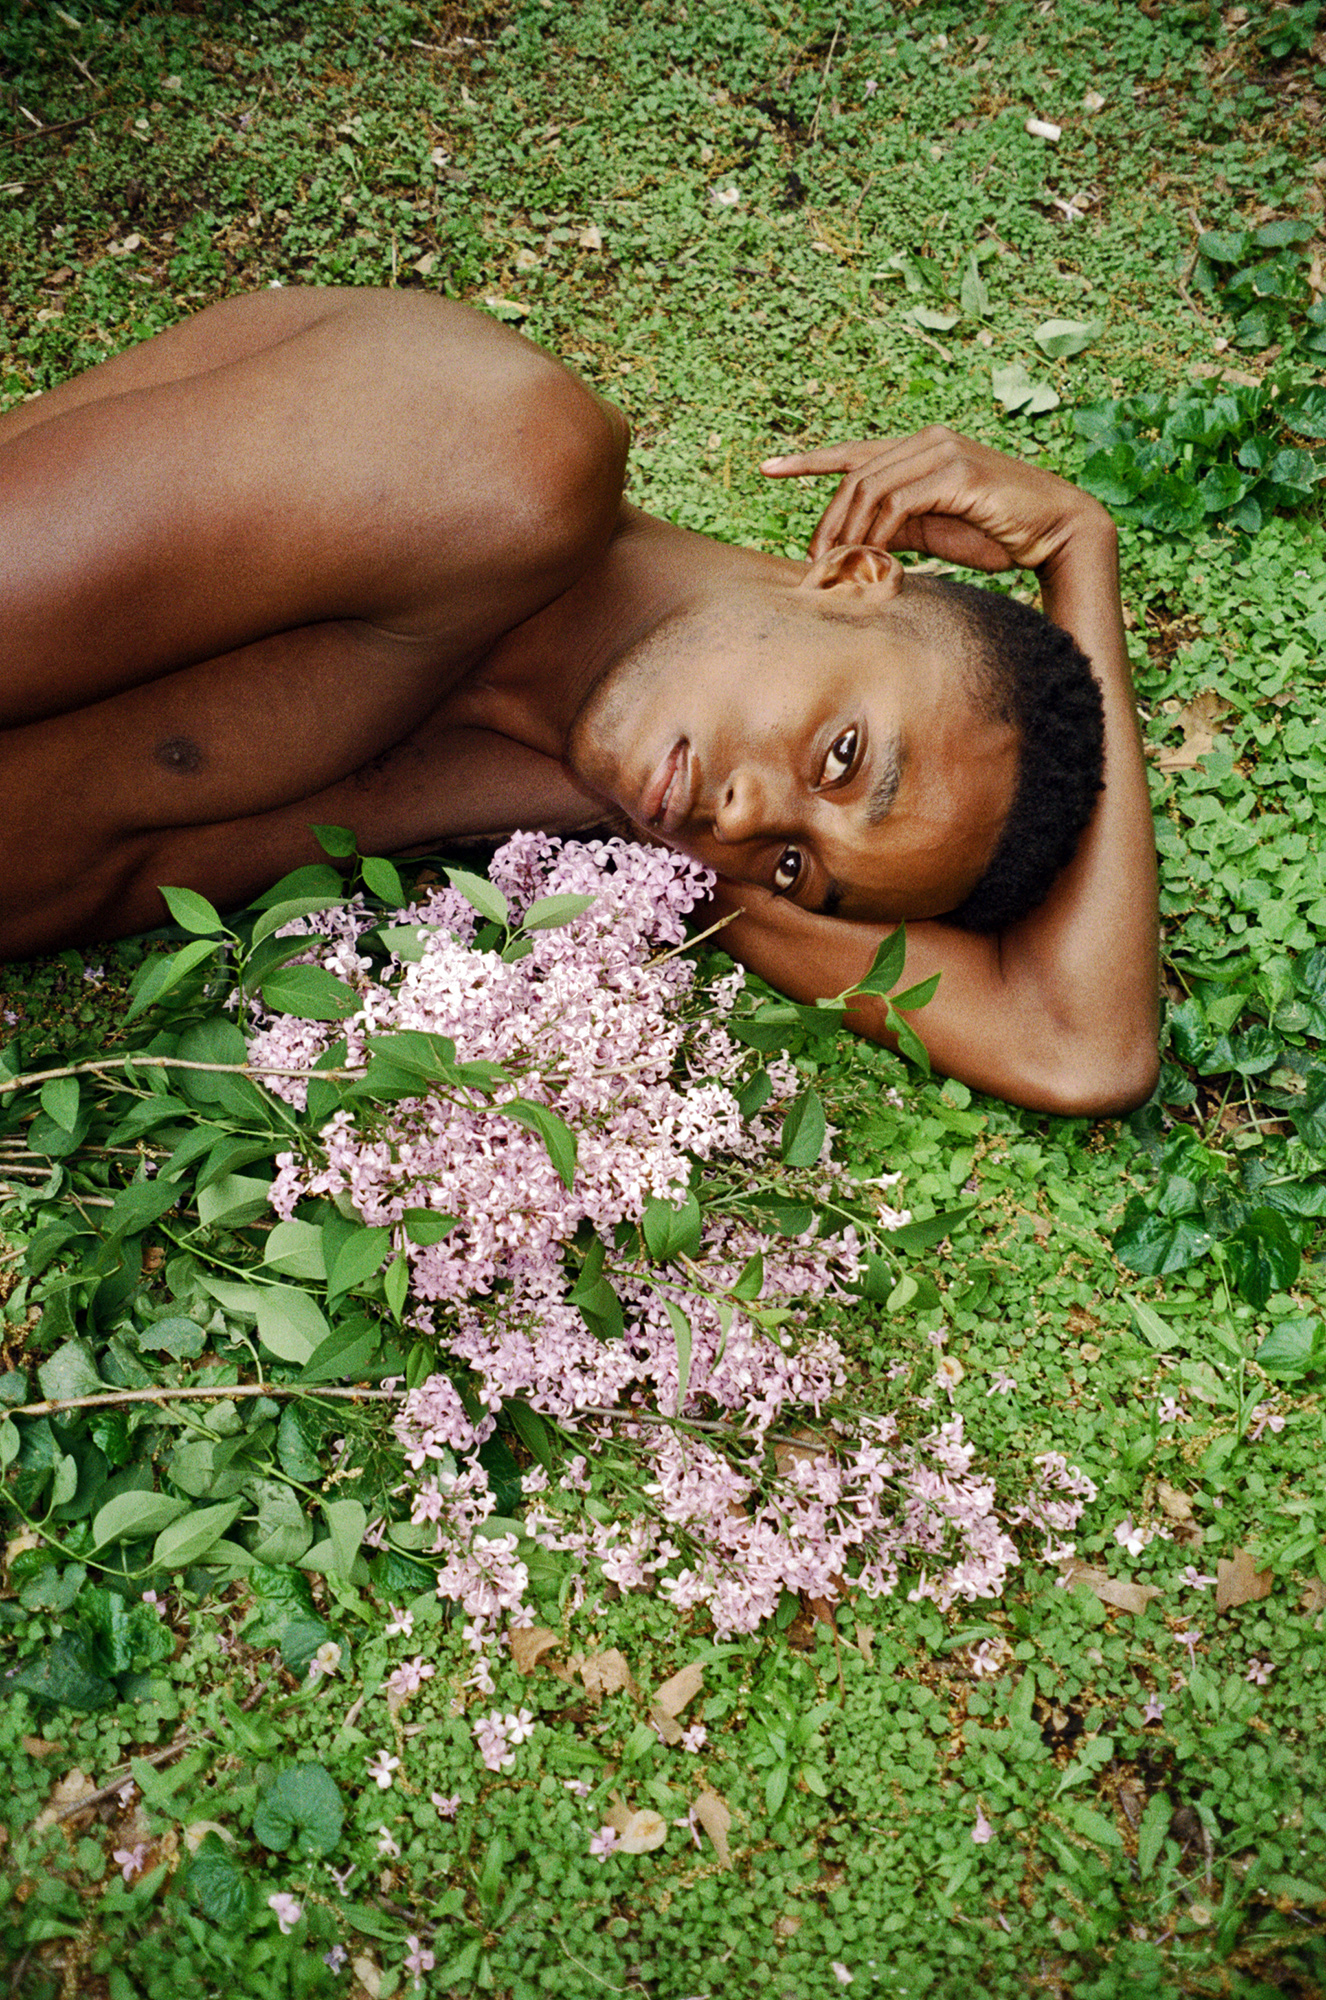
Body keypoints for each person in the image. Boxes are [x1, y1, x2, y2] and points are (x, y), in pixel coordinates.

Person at [0, 287, 1157, 1113]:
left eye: (800, 868)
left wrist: (1079, 547)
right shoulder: (490, 464)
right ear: (853, 579)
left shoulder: (635, 799)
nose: (754, 824)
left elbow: (1080, 1045)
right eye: (845, 754)